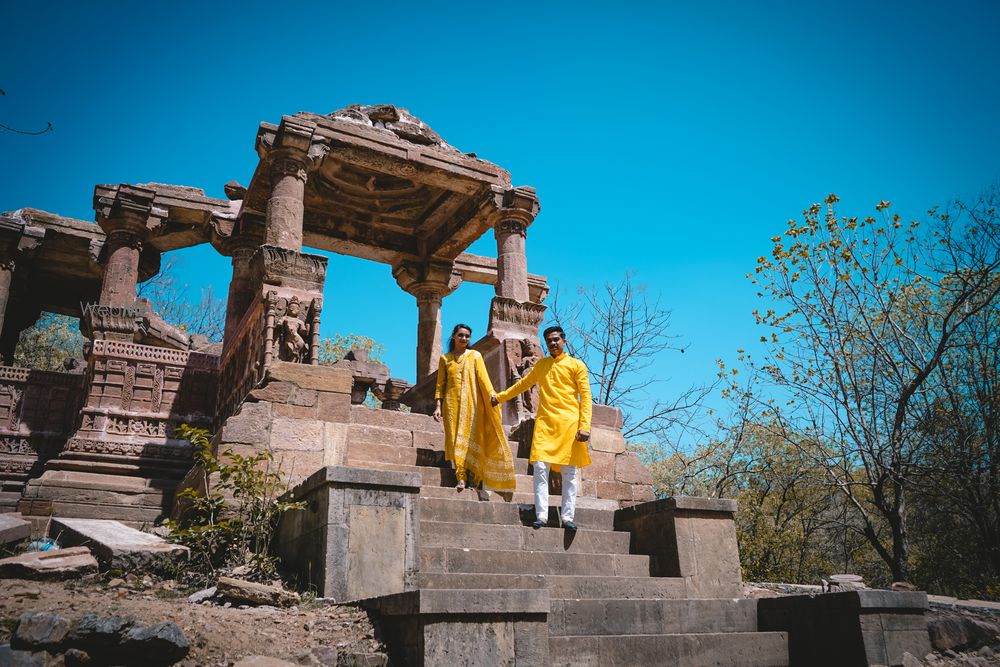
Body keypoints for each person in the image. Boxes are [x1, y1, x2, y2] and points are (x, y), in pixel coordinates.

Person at [491, 326, 592, 530]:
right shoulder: (541, 365)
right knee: (540, 469)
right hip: (545, 424)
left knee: (569, 473)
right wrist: (500, 397)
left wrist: (585, 426)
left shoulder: (576, 365)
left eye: (556, 339)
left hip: (569, 425)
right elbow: (522, 385)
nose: (553, 343)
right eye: (549, 341)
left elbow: (586, 397)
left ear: (564, 341)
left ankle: (567, 517)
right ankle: (542, 516)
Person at [434, 324, 516, 499]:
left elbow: (483, 378)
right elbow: (440, 385)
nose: (464, 339)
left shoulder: (475, 355)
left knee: (473, 436)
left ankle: (475, 477)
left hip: (472, 403)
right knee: (456, 439)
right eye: (461, 335)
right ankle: (461, 477)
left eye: (467, 336)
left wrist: (493, 395)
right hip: (451, 404)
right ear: (454, 336)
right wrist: (438, 406)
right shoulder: (445, 359)